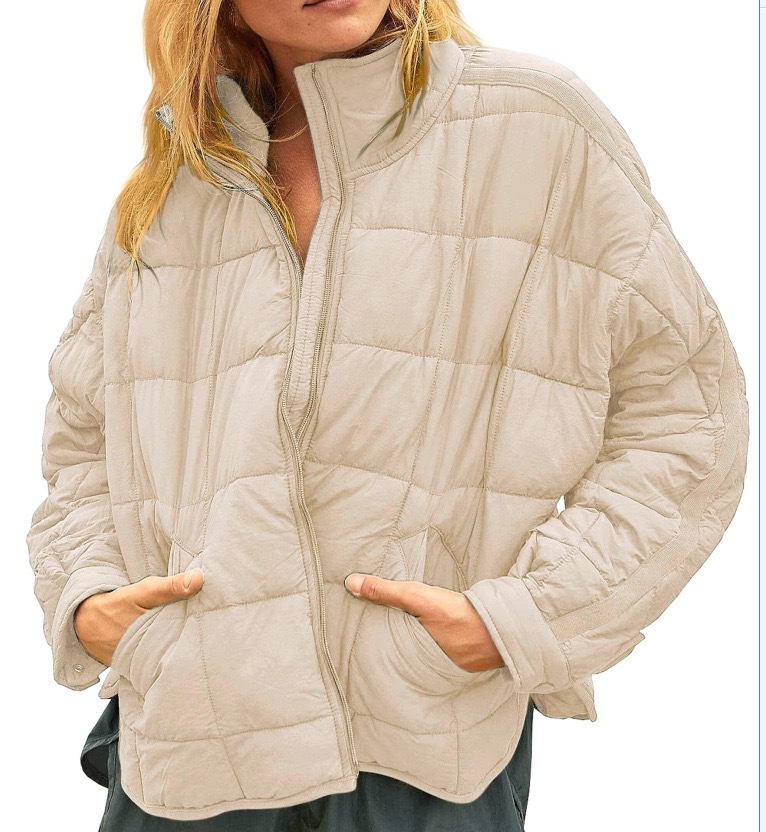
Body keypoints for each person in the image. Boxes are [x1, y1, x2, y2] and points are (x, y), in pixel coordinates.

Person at [26, 0, 749, 829]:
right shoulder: (177, 179)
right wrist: (91, 603)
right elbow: (84, 436)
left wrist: (524, 617)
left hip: (420, 747)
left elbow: (688, 416)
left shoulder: (535, 126)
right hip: (190, 743)